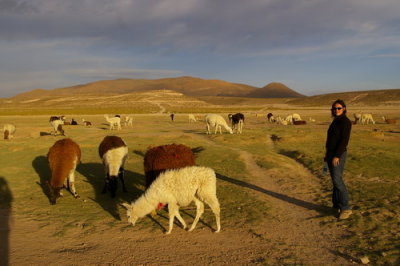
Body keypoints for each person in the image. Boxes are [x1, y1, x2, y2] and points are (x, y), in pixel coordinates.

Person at [325, 99, 352, 220]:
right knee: (334, 180)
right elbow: (331, 140)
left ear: (344, 109)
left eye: (339, 108)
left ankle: (346, 208)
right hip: (330, 154)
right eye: (334, 108)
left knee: (337, 180)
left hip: (338, 155)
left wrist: (337, 156)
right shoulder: (335, 121)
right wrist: (327, 154)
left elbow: (344, 141)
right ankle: (336, 205)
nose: (336, 110)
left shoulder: (346, 122)